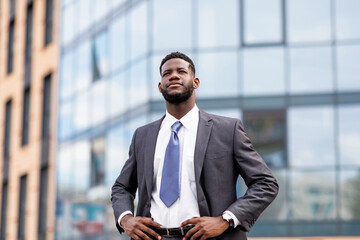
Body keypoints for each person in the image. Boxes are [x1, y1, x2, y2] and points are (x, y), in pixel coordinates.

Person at [111, 52, 278, 240]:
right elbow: (121, 187)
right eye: (167, 74)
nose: (173, 75)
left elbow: (265, 183)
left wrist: (225, 220)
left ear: (196, 82)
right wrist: (126, 219)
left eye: (181, 71)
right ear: (160, 86)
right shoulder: (143, 136)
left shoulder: (227, 130)